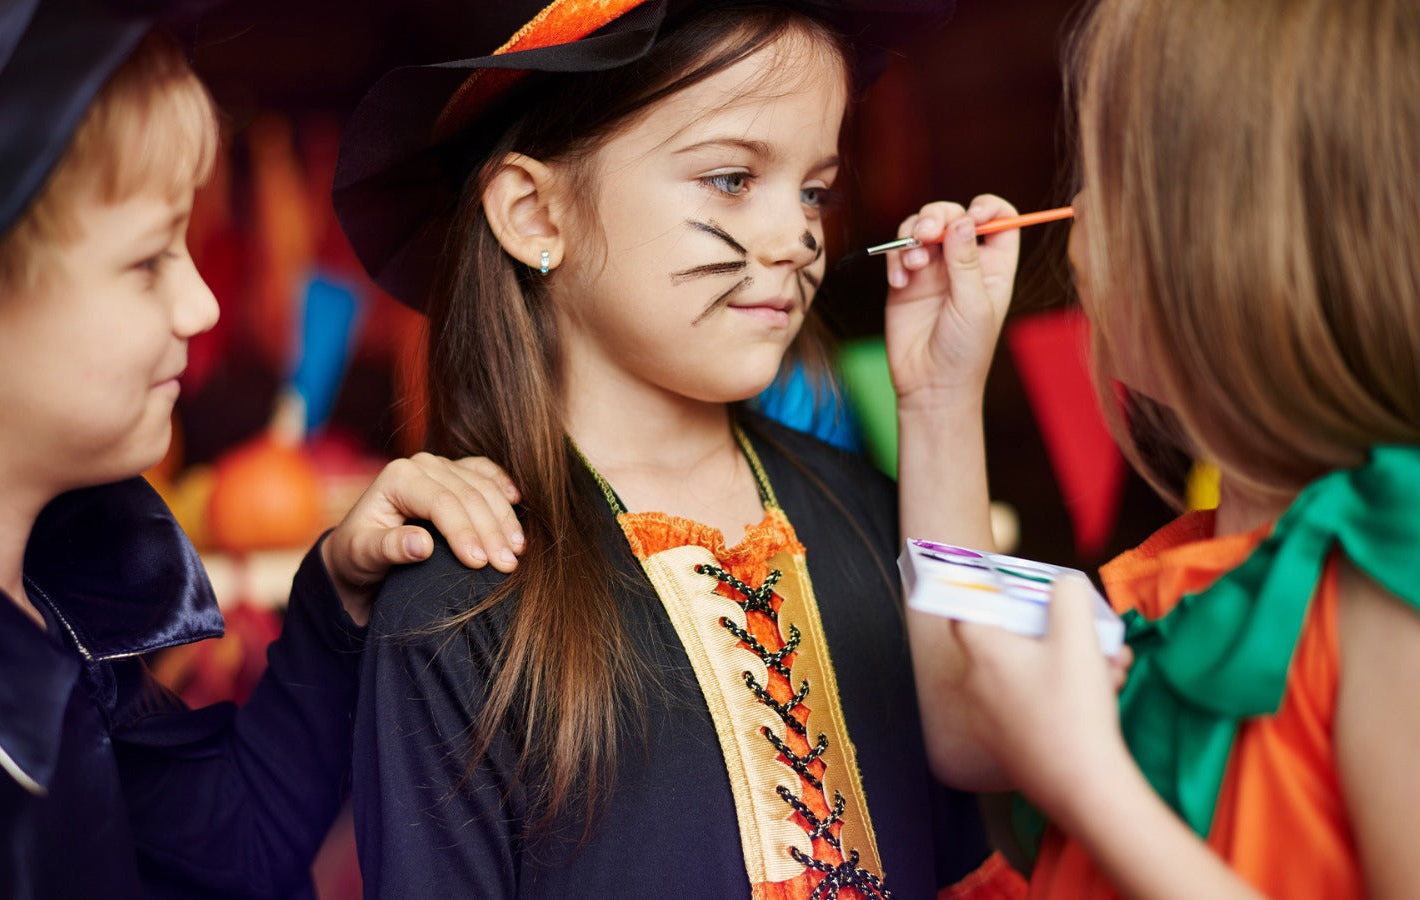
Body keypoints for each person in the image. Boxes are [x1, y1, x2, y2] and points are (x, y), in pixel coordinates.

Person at [0, 3, 523, 897]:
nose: (203, 308)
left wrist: (337, 598)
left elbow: (232, 848)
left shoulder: (54, 608)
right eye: (149, 261)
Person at [333, 1, 1028, 896]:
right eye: (733, 178)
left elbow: (987, 755)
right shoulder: (457, 602)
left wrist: (940, 401)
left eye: (815, 189)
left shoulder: (866, 511)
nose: (797, 238)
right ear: (537, 215)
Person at [908, 0, 1420, 896]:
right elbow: (964, 721)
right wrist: (939, 395)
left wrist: (1088, 782)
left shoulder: (1393, 570)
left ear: (1232, 239)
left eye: (1107, 173)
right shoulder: (1178, 573)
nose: (1072, 213)